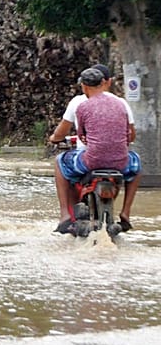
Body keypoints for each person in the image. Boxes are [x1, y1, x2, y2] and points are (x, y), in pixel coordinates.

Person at [49, 68, 142, 234]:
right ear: (104, 83)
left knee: (59, 161)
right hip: (120, 162)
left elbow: (82, 136)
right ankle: (126, 212)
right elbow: (131, 134)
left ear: (84, 87)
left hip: (91, 161)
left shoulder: (82, 106)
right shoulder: (121, 104)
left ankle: (64, 215)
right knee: (137, 163)